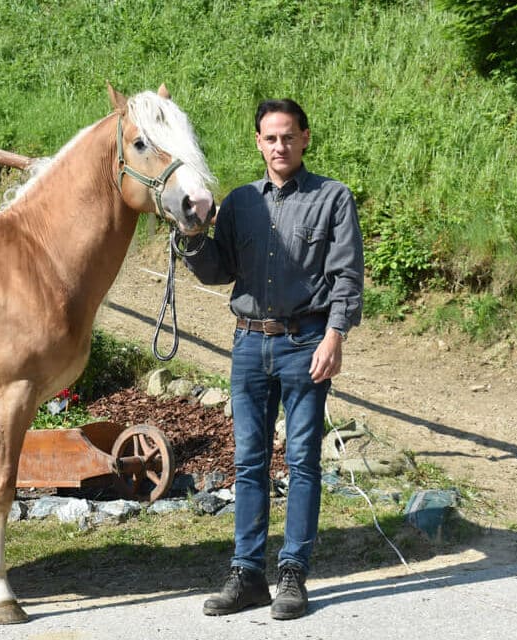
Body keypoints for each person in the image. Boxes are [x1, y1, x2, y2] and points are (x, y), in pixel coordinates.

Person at [183, 99, 364, 620]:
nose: (279, 146)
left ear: (305, 138)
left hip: (306, 342)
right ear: (258, 142)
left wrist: (335, 337)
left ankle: (292, 575)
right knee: (249, 463)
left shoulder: (332, 198)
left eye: (288, 137)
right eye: (269, 138)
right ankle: (246, 574)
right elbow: (219, 270)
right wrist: (192, 235)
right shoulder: (240, 203)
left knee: (303, 461)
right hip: (247, 345)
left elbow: (347, 275)